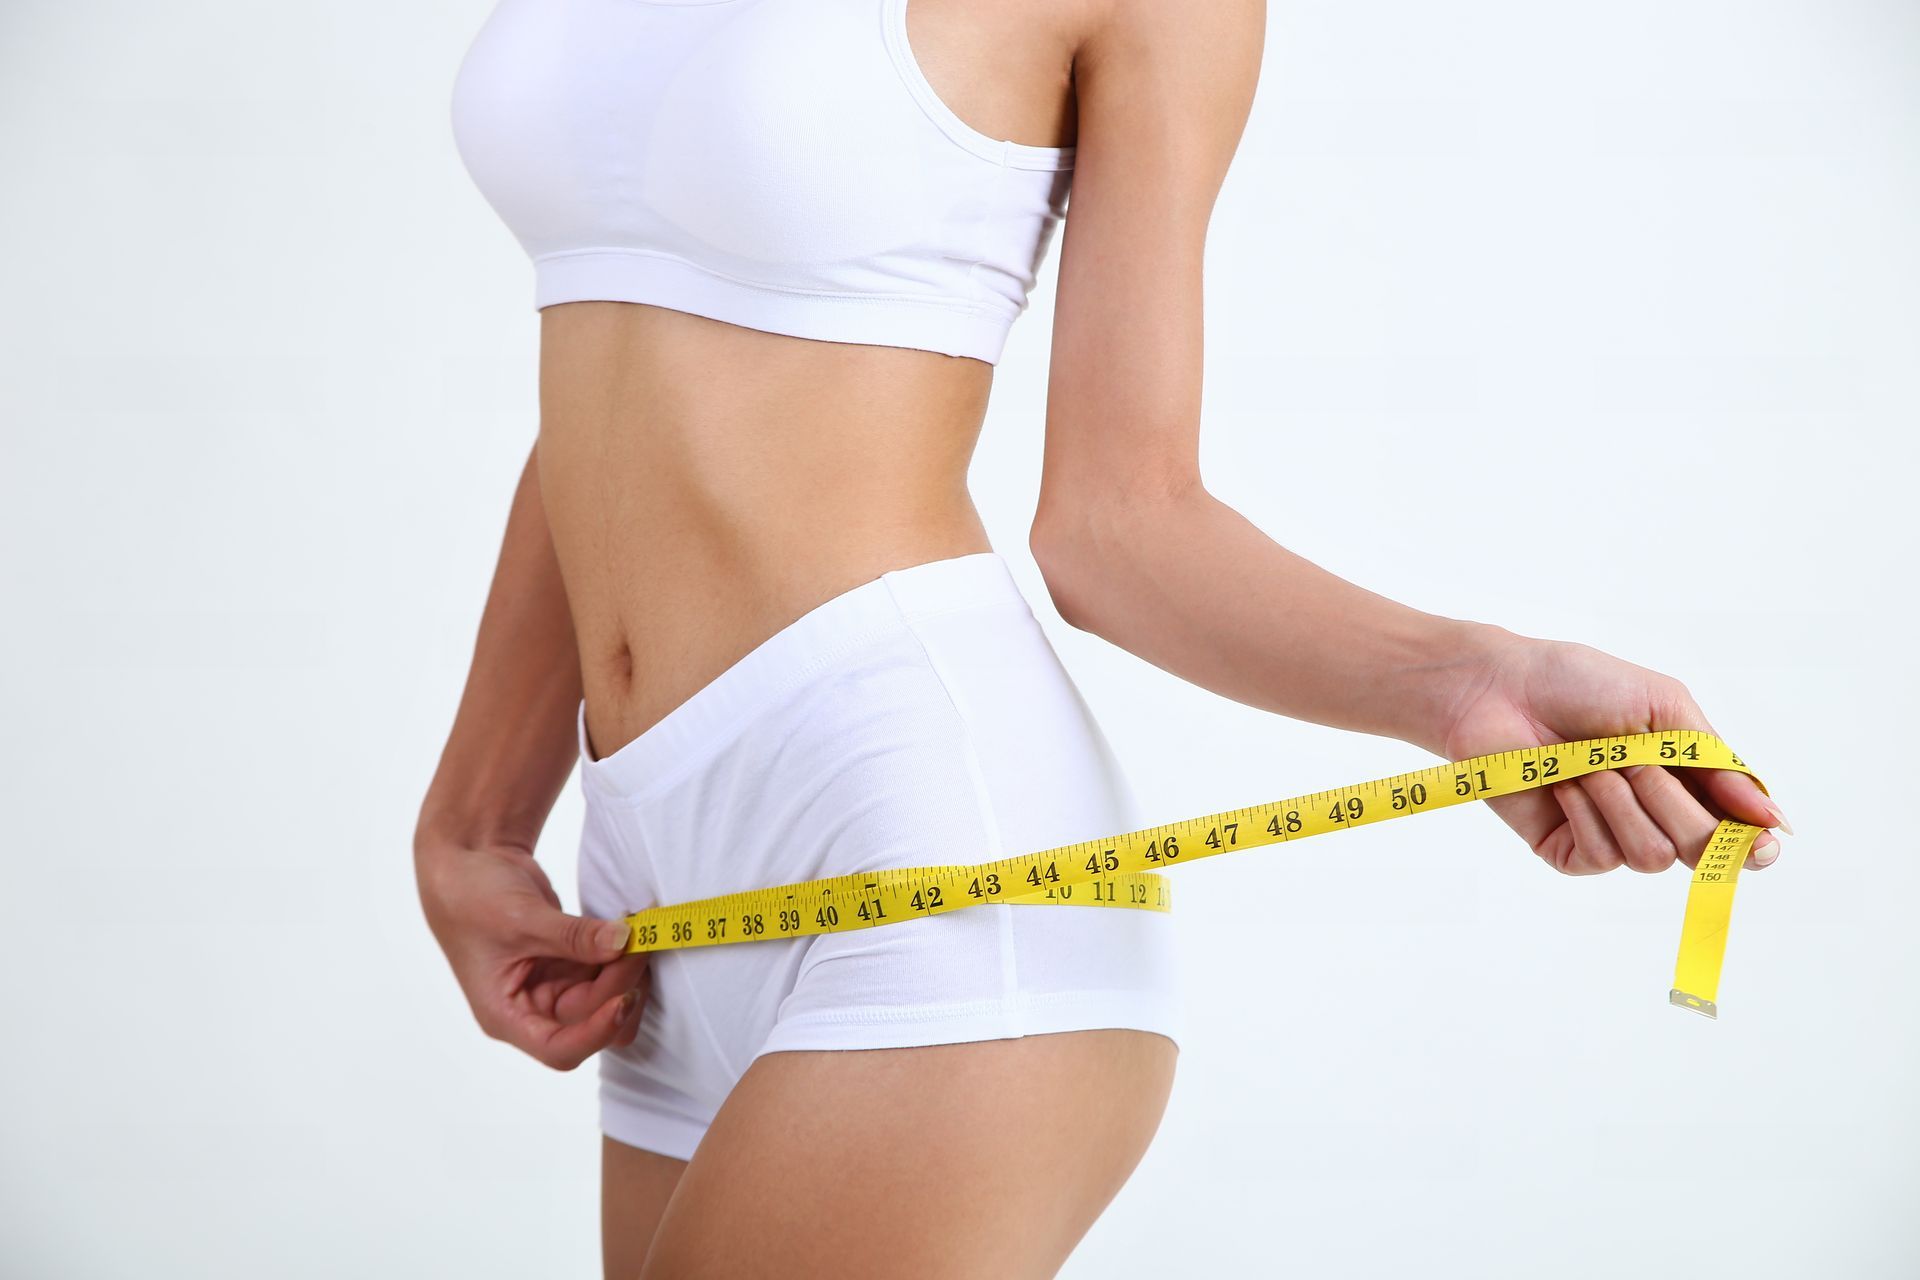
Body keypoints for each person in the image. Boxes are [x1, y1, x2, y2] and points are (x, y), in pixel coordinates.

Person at [412, 0, 1790, 1275]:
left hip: (919, 831)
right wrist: (471, 824)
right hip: (649, 869)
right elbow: (624, 366)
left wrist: (1470, 678)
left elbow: (1119, 528)